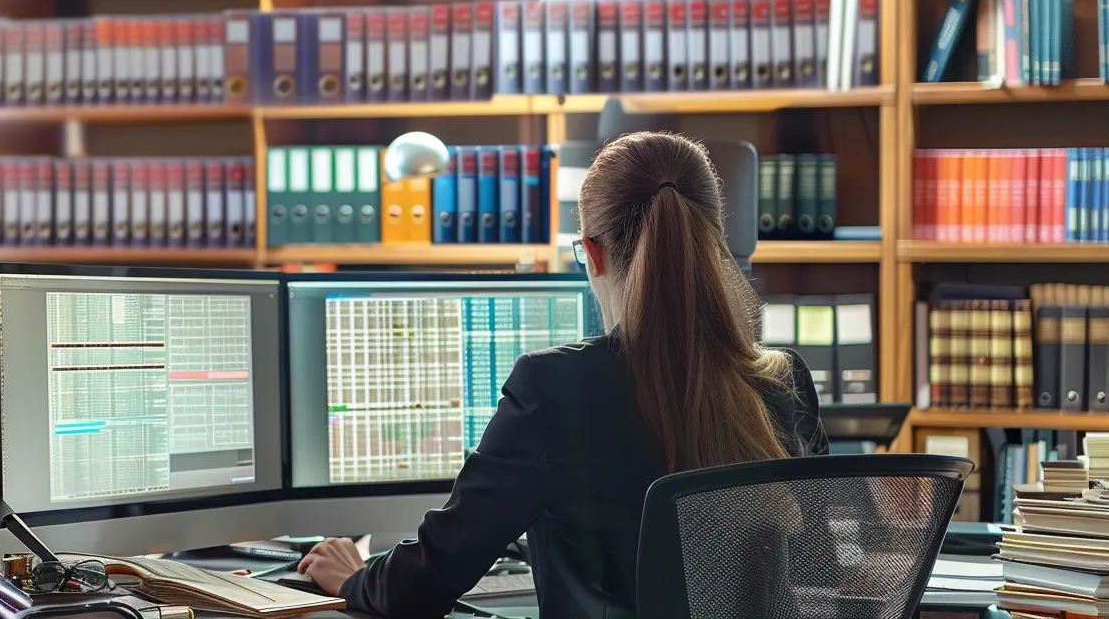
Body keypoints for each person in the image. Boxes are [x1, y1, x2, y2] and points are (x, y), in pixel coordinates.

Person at [295, 132, 830, 619]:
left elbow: (427, 582)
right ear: (715, 241)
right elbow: (820, 569)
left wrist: (355, 578)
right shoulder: (784, 382)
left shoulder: (553, 387)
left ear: (592, 256)